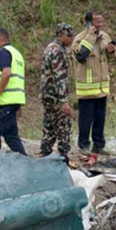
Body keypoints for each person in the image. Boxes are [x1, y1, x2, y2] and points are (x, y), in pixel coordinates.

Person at [73, 12, 115, 155]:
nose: (100, 25)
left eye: (102, 22)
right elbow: (80, 56)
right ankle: (83, 145)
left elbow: (109, 58)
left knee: (100, 118)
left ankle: (98, 145)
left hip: (102, 88)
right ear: (89, 23)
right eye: (97, 22)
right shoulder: (80, 39)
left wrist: (111, 51)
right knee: (86, 119)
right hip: (87, 88)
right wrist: (91, 36)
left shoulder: (105, 37)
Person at [0, 27, 26, 155]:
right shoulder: (17, 54)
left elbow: (7, 73)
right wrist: (18, 105)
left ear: (0, 39)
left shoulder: (3, 53)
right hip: (13, 101)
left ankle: (25, 162)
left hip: (5, 101)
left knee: (10, 137)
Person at [39, 23, 74, 159]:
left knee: (49, 126)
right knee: (63, 126)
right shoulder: (57, 51)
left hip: (47, 94)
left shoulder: (51, 48)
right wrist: (63, 101)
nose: (71, 38)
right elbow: (59, 77)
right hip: (55, 96)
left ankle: (45, 154)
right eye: (68, 35)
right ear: (60, 35)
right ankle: (63, 157)